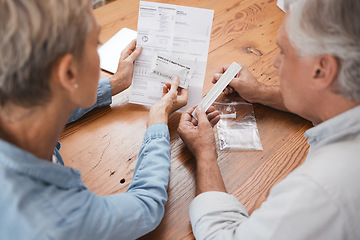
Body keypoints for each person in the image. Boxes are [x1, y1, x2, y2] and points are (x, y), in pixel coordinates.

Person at [0, 0, 195, 239]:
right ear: (69, 73)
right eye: (95, 45)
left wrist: (116, 83)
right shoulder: (62, 217)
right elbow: (146, 207)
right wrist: (158, 121)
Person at [178, 0, 360, 239]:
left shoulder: (322, 191)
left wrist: (205, 153)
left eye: (284, 52)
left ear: (322, 70)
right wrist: (260, 92)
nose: (275, 62)